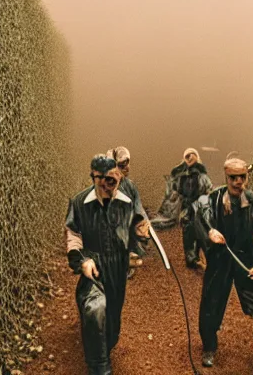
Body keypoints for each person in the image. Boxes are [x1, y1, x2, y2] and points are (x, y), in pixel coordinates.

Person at [194, 157, 253, 375]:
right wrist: (210, 232)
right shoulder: (216, 198)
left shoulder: (252, 200)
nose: (238, 182)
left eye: (242, 177)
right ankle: (209, 346)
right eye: (233, 178)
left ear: (247, 177)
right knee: (211, 305)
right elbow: (201, 216)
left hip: (246, 263)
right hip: (221, 261)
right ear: (226, 177)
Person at [65, 155, 151, 375]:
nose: (107, 186)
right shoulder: (79, 202)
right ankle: (99, 366)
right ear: (93, 177)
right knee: (95, 309)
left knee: (112, 321)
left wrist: (137, 245)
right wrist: (82, 261)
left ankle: (104, 344)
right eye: (101, 180)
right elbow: (73, 235)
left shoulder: (126, 202)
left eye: (112, 181)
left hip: (117, 266)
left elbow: (138, 228)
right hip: (93, 263)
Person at [106, 146, 146, 279]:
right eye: (122, 165)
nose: (127, 168)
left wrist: (142, 223)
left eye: (127, 164)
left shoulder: (130, 186)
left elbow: (138, 206)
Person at [170, 147, 213, 268]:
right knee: (188, 231)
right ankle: (191, 259)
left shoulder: (201, 175)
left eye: (191, 155)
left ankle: (199, 256)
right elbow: (176, 189)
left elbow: (209, 188)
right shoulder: (181, 175)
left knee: (200, 230)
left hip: (199, 206)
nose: (189, 158)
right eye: (187, 156)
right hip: (186, 207)